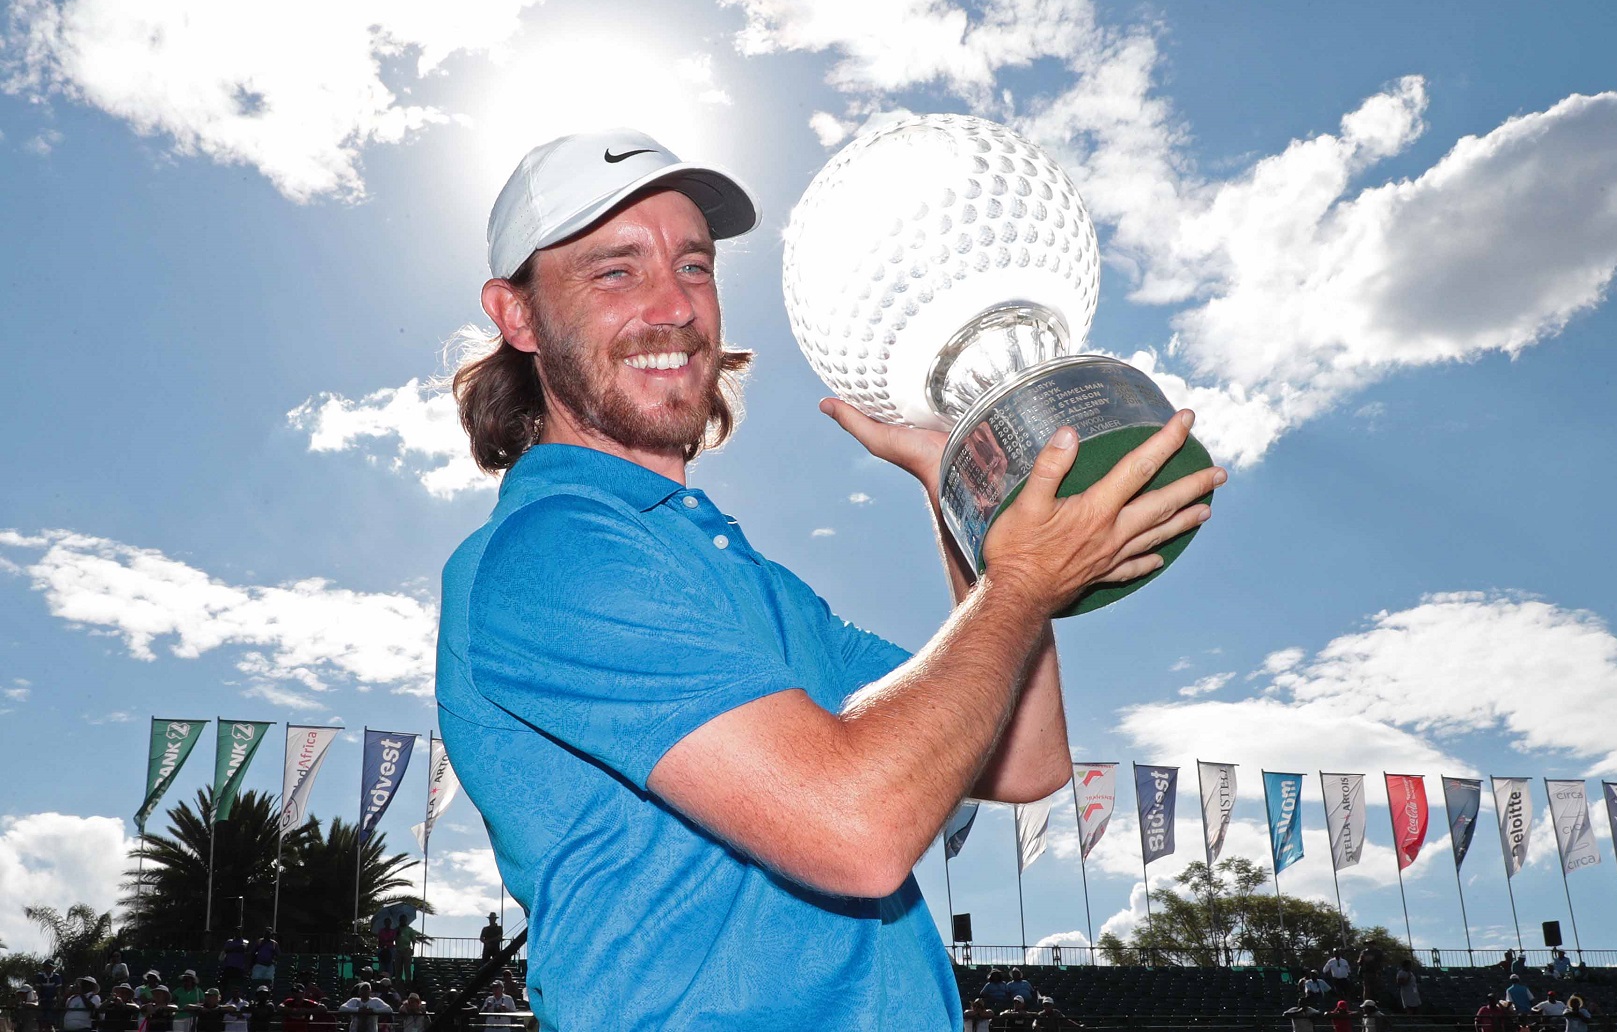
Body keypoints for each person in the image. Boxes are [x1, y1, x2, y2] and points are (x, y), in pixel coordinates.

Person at [437, 127, 1218, 1031]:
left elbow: (1024, 759)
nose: (675, 305)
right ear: (518, 315)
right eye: (616, 271)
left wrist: (962, 489)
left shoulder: (745, 578)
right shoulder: (551, 550)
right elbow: (858, 829)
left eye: (694, 266)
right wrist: (1022, 581)